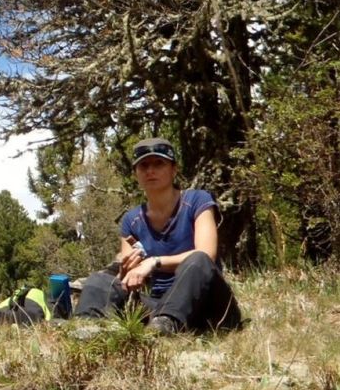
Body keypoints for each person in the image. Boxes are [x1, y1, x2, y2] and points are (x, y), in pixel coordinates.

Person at [74, 138, 242, 335]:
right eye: (143, 165)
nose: (150, 170)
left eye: (158, 163)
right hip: (159, 307)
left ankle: (165, 325)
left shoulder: (198, 200)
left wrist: (154, 262)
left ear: (174, 169)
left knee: (198, 259)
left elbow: (207, 254)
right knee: (100, 280)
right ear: (136, 173)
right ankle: (85, 328)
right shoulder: (132, 220)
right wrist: (127, 272)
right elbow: (131, 276)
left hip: (211, 307)